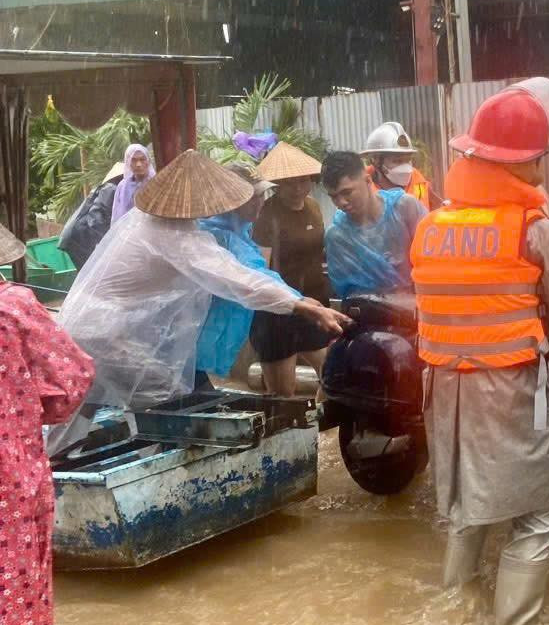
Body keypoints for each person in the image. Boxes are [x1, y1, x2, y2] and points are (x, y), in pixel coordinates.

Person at [411, 88, 549, 625]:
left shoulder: (431, 227)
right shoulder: (535, 230)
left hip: (442, 393)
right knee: (545, 507)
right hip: (508, 389)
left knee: (465, 510)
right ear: (526, 163)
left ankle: (454, 615)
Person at [46, 150, 347, 456]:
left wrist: (297, 301)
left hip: (83, 327)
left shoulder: (145, 222)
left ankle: (52, 466)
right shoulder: (177, 237)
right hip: (106, 333)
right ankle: (159, 472)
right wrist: (297, 305)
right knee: (167, 396)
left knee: (82, 402)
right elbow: (236, 277)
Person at [0, 221, 94, 625]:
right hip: (10, 486)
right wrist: (27, 404)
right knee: (16, 607)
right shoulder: (13, 307)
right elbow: (74, 377)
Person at [194, 162, 293, 391]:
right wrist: (299, 302)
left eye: (261, 194)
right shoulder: (217, 236)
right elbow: (255, 275)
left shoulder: (240, 229)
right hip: (186, 342)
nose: (261, 201)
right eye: (252, 196)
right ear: (231, 200)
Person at [251, 142, 332, 396]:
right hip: (280, 310)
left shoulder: (314, 208)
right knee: (283, 395)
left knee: (332, 373)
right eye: (289, 183)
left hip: (315, 304)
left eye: (303, 181)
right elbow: (261, 267)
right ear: (278, 184)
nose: (298, 188)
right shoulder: (268, 214)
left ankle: (319, 426)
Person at [322, 151, 426, 300]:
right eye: (334, 196)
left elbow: (433, 263)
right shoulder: (338, 236)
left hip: (420, 310)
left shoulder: (405, 208)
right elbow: (352, 296)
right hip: (373, 317)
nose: (341, 203)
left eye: (347, 192)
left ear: (367, 181)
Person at [58, 162, 124, 269]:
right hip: (80, 237)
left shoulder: (109, 188)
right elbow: (96, 219)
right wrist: (107, 245)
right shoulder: (110, 188)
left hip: (77, 235)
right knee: (91, 274)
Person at [361, 121, 437, 208]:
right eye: (397, 161)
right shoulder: (360, 189)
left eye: (408, 160)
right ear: (376, 161)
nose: (405, 168)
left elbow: (439, 209)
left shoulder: (419, 183)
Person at [110, 143, 153, 223]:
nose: (138, 164)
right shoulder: (122, 187)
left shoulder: (156, 183)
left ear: (148, 161)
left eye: (142, 159)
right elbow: (116, 215)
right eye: (134, 160)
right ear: (128, 163)